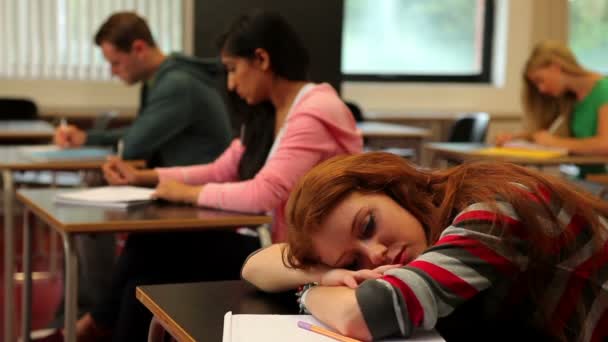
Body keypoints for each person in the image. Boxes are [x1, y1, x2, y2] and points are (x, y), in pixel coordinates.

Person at [57, 10, 362, 342]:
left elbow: (264, 192)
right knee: (140, 277)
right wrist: (146, 177)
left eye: (233, 70)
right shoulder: (267, 113)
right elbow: (222, 169)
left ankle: (92, 326)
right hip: (270, 244)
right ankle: (95, 325)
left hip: (296, 257)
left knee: (152, 250)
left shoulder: (314, 112)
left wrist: (184, 193)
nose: (229, 83)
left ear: (261, 59)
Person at [243, 152, 608, 341]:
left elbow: (365, 315)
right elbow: (256, 265)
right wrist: (328, 273)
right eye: (355, 258)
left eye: (368, 225)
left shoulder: (492, 211)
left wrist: (310, 290)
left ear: (390, 187)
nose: (374, 255)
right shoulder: (435, 225)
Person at [43, 11, 233, 334]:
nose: (113, 72)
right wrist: (90, 139)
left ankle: (89, 321)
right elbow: (140, 136)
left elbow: (134, 144)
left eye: (116, 62)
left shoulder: (178, 84)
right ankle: (90, 320)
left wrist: (90, 139)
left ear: (139, 48)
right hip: (184, 196)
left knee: (138, 248)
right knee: (138, 262)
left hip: (205, 207)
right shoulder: (162, 79)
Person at [496, 40, 608, 177]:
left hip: (599, 183)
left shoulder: (604, 90)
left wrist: (554, 142)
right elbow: (548, 135)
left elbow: (605, 145)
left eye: (540, 80)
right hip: (580, 179)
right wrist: (515, 138)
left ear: (555, 67)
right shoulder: (571, 98)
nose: (541, 89)